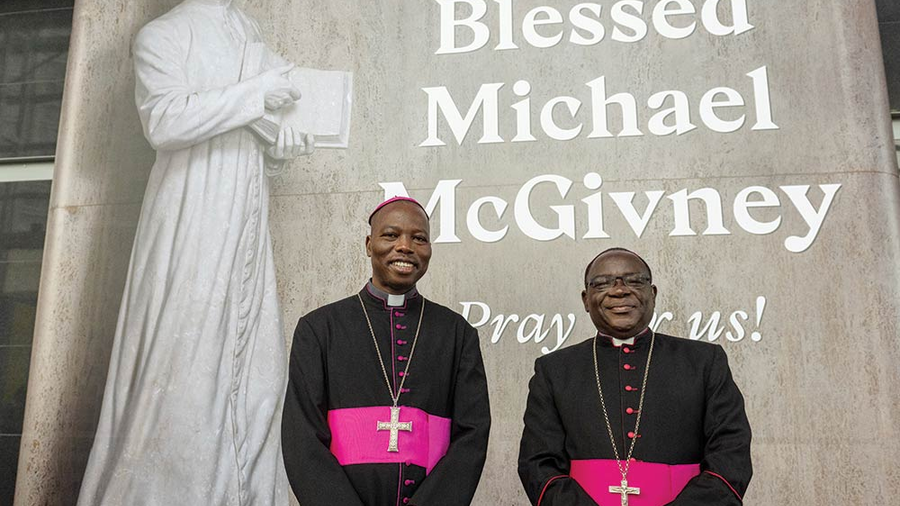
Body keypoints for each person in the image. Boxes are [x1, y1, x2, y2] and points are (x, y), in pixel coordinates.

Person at [77, 1, 312, 504]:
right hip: (193, 217)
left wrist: (278, 143)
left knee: (256, 371)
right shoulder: (164, 34)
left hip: (247, 221)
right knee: (187, 363)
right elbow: (163, 120)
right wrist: (255, 95)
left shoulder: (246, 29)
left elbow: (245, 129)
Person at [282, 196, 491, 506]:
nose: (405, 246)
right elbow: (303, 440)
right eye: (391, 235)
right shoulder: (318, 329)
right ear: (369, 244)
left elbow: (472, 437)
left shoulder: (457, 334)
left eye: (418, 238)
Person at [518, 247, 752, 506]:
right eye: (603, 283)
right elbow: (538, 464)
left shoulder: (704, 361)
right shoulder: (555, 370)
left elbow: (731, 456)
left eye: (634, 280)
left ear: (652, 294)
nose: (619, 290)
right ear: (586, 299)